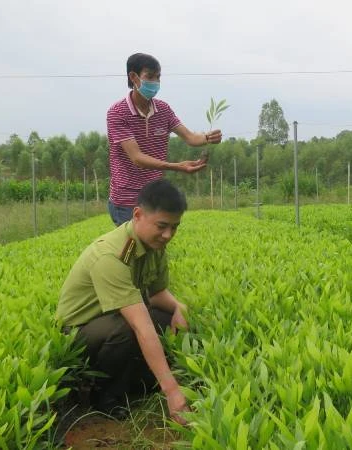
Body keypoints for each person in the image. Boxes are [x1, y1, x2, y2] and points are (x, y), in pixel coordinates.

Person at [57, 179, 191, 422]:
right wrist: (171, 390)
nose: (168, 234)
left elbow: (157, 294)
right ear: (137, 215)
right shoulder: (110, 255)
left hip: (111, 319)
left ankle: (135, 380)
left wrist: (179, 308)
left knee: (162, 317)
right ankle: (103, 396)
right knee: (132, 326)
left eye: (175, 227)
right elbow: (140, 324)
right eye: (162, 225)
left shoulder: (153, 245)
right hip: (78, 332)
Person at [107, 52, 222, 226]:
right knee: (133, 249)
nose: (155, 82)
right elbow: (137, 158)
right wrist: (176, 167)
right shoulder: (118, 113)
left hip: (154, 196)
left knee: (156, 247)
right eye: (150, 77)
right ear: (133, 77)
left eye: (158, 77)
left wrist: (208, 137)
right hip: (127, 200)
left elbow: (190, 137)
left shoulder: (163, 110)